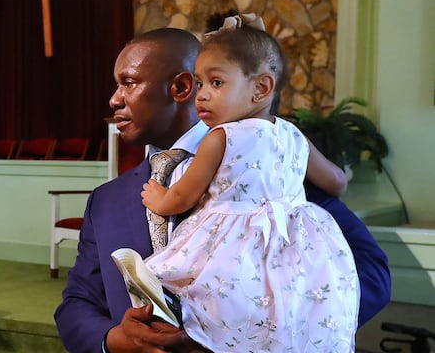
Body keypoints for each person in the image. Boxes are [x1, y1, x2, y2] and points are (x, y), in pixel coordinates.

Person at [54, 26, 391, 352]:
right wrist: (116, 340)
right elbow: (77, 303)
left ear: (182, 87)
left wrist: (260, 333)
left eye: (128, 83)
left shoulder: (273, 167)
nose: (114, 99)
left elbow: (372, 274)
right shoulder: (106, 200)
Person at [139, 14, 357, 350]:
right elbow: (336, 182)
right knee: (293, 303)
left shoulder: (222, 137)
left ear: (261, 88)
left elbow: (184, 195)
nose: (202, 95)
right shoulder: (292, 135)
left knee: (219, 300)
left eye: (217, 83)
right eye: (199, 84)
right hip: (297, 245)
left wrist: (159, 200)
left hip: (236, 242)